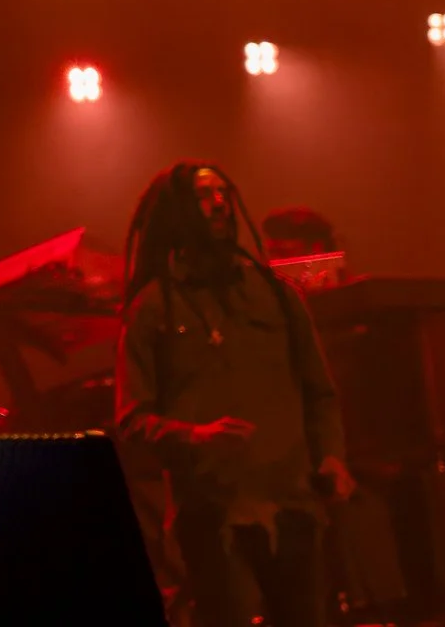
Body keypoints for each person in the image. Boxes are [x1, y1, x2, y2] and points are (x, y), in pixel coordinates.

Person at [117, 161, 354, 627]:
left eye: (224, 192)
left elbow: (319, 393)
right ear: (178, 211)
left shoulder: (278, 295)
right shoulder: (152, 309)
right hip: (212, 514)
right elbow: (130, 421)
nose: (220, 203)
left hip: (293, 505)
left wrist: (332, 457)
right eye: (205, 195)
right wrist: (194, 435)